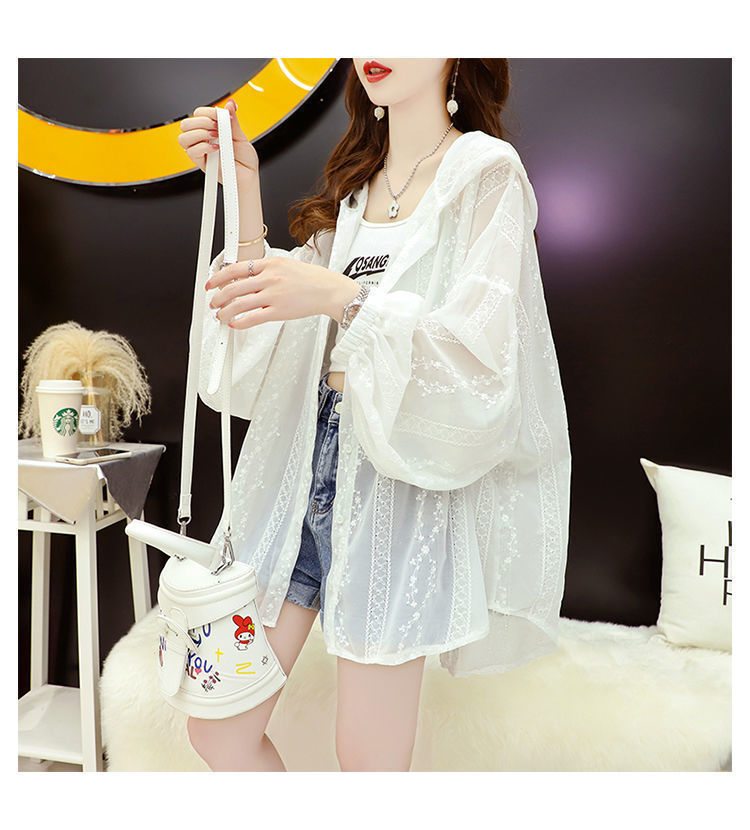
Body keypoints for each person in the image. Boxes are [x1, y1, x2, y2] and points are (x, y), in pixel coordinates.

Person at [176, 58, 571, 772]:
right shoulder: (356, 187)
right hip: (301, 465)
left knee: (368, 764)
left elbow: (480, 357)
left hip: (397, 484)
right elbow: (264, 324)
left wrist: (339, 296)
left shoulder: (486, 172)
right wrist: (244, 187)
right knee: (218, 726)